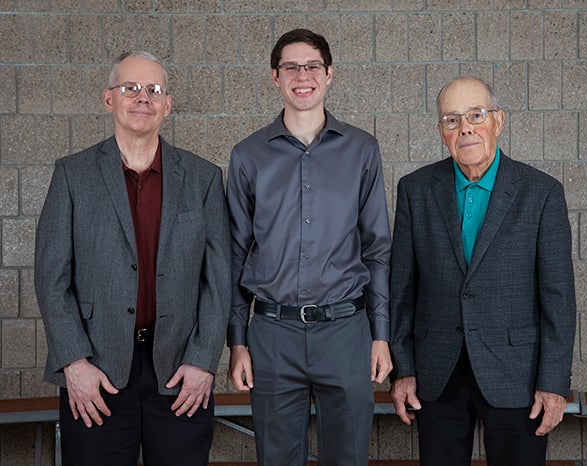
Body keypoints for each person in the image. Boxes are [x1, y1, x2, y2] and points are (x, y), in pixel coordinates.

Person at [34, 51, 231, 466]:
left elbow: (219, 279)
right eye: (131, 88)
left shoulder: (203, 178)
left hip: (180, 372)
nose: (143, 98)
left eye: (154, 90)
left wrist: (203, 361)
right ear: (110, 99)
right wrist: (74, 362)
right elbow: (51, 278)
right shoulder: (72, 174)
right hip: (97, 371)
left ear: (168, 104)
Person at [389, 75, 576, 466]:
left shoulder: (542, 193)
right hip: (436, 374)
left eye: (476, 115)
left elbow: (558, 299)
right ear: (441, 131)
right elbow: (402, 290)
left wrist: (554, 383)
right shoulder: (415, 189)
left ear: (498, 120)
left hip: (517, 376)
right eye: (452, 120)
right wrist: (403, 370)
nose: (466, 128)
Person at [226, 28, 392, 465]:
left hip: (346, 331)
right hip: (272, 335)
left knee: (349, 458)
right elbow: (235, 253)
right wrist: (238, 343)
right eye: (291, 67)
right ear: (275, 78)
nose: (303, 75)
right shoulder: (247, 156)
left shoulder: (362, 149)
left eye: (312, 66)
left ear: (330, 74)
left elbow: (376, 248)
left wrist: (380, 334)